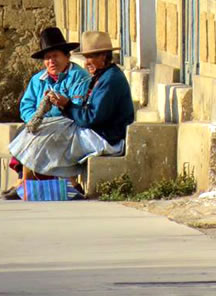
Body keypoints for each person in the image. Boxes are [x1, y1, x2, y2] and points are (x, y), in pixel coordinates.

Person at [5, 31, 134, 200]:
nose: (87, 63)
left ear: (103, 57)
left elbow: (90, 117)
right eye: (86, 58)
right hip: (93, 128)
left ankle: (65, 183)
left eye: (91, 57)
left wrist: (65, 105)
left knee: (51, 136)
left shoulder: (107, 80)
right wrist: (38, 118)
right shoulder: (102, 77)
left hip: (106, 136)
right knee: (37, 131)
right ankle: (27, 180)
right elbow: (27, 106)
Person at [1, 27, 89, 200]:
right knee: (27, 131)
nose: (51, 61)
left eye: (55, 56)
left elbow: (77, 105)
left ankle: (27, 182)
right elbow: (26, 106)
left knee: (39, 135)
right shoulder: (37, 79)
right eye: (47, 58)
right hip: (42, 123)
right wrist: (36, 117)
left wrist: (55, 108)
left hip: (69, 122)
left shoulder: (79, 77)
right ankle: (23, 180)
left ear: (67, 56)